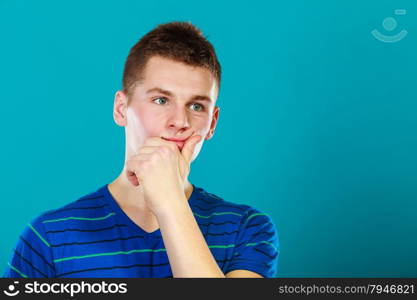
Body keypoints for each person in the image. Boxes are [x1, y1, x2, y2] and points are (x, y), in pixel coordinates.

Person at [4, 21, 279, 278]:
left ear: (212, 123)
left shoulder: (248, 228)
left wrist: (170, 202)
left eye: (196, 106)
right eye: (161, 100)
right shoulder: (49, 237)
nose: (180, 122)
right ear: (121, 109)